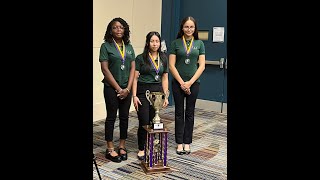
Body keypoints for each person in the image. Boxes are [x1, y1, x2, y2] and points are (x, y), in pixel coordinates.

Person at [98, 17, 135, 163]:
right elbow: (105, 69)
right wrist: (119, 88)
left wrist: (128, 88)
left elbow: (133, 68)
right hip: (111, 88)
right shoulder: (105, 46)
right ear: (110, 30)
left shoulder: (129, 46)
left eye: (121, 27)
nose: (118, 30)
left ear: (125, 29)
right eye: (115, 27)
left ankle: (122, 145)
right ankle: (110, 148)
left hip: (127, 88)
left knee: (125, 117)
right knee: (111, 117)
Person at [169, 16, 205, 155]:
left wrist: (189, 83)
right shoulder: (176, 43)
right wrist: (182, 83)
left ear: (195, 29)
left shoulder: (199, 43)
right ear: (182, 28)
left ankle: (187, 142)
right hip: (178, 84)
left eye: (191, 27)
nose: (189, 29)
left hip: (194, 83)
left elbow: (201, 66)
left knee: (190, 113)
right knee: (179, 113)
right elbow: (171, 65)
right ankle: (179, 142)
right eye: (186, 26)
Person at [132, 31, 169, 160]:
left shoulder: (164, 57)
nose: (155, 44)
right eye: (152, 41)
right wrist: (134, 96)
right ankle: (141, 148)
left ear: (160, 43)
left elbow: (165, 77)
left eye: (157, 41)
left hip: (157, 92)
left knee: (155, 121)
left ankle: (151, 144)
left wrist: (165, 95)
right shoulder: (141, 58)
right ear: (148, 43)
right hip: (143, 92)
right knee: (143, 120)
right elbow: (135, 78)